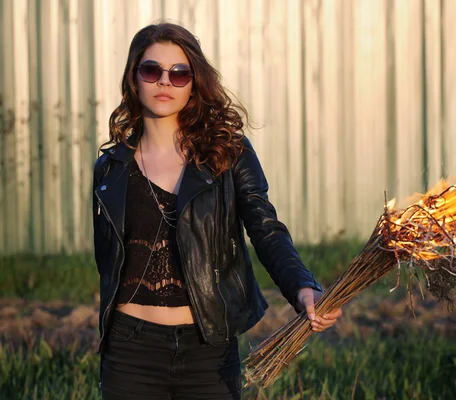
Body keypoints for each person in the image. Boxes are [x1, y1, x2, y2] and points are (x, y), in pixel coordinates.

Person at [92, 22, 342, 399]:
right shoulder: (110, 169)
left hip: (208, 349)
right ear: (134, 78)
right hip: (130, 350)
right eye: (151, 70)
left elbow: (266, 227)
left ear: (194, 83)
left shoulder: (228, 153)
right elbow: (107, 259)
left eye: (179, 74)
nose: (164, 82)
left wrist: (302, 287)